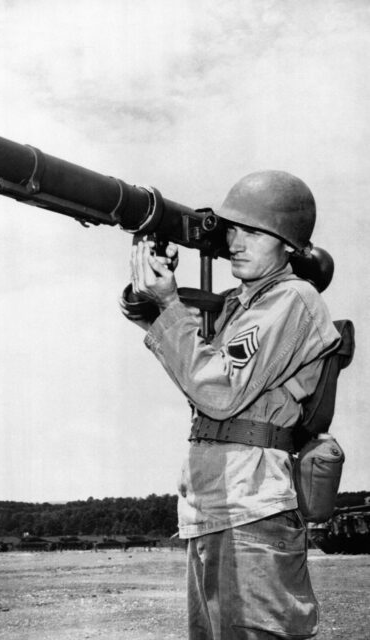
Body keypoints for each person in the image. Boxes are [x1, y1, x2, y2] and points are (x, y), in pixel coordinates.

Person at [121, 170, 340, 639]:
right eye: (233, 229)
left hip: (252, 508)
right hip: (215, 505)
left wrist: (170, 308)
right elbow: (197, 370)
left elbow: (217, 391)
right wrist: (153, 300)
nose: (235, 242)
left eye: (253, 231)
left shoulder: (290, 299)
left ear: (288, 244)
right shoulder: (243, 305)